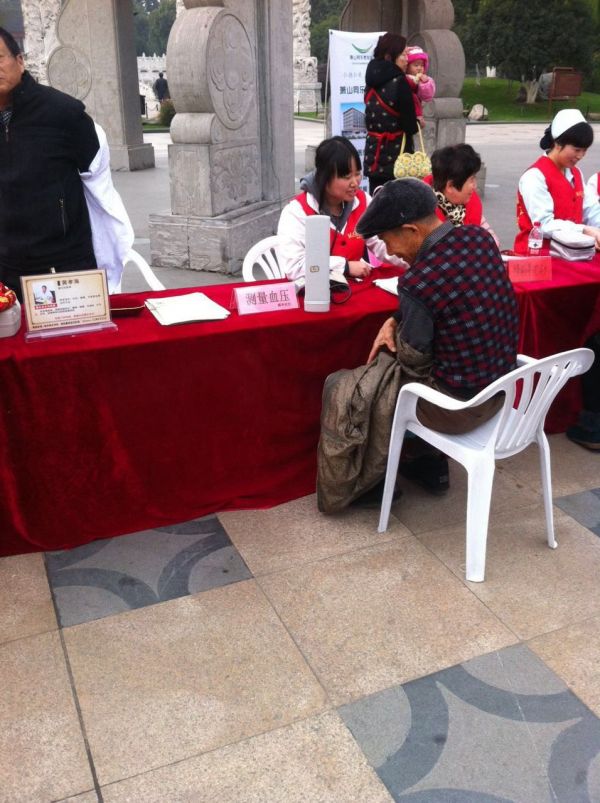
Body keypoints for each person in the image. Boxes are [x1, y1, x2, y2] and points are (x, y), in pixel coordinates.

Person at [357, 180, 518, 498]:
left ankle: (370, 483)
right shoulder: (479, 238)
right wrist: (397, 317)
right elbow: (454, 296)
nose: (390, 252)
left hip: (458, 411)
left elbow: (413, 361)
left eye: (388, 241)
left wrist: (397, 336)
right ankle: (425, 461)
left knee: (361, 386)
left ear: (411, 230)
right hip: (502, 393)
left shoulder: (418, 280)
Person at [0, 27, 133, 299]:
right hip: (6, 267)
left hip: (62, 267)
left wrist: (109, 254)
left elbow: (98, 182)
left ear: (20, 61)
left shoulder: (63, 113)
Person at [277, 136, 404, 281]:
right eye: (346, 177)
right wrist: (345, 267)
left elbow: (382, 244)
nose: (355, 183)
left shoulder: (363, 201)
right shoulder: (296, 212)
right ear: (324, 177)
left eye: (357, 174)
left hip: (355, 287)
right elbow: (294, 267)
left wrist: (413, 256)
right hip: (314, 291)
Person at [515, 108, 600, 254]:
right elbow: (543, 224)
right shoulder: (534, 176)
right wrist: (583, 229)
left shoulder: (576, 173)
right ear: (558, 144)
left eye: (584, 150)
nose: (580, 156)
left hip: (573, 252)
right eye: (577, 150)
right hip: (541, 254)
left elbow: (590, 209)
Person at [363, 33, 418, 194]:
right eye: (403, 55)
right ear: (390, 56)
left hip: (373, 155)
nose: (407, 60)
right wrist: (417, 121)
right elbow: (410, 126)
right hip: (397, 158)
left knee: (377, 199)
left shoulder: (371, 80)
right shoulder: (400, 82)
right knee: (398, 202)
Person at [423, 143, 499, 246]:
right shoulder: (422, 214)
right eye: (471, 180)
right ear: (450, 186)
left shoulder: (470, 204)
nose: (475, 186)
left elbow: (492, 241)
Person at [405, 45, 436, 128]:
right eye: (416, 65)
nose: (419, 68)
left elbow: (427, 96)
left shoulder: (425, 79)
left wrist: (425, 83)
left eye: (422, 65)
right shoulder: (404, 78)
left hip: (417, 112)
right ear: (407, 66)